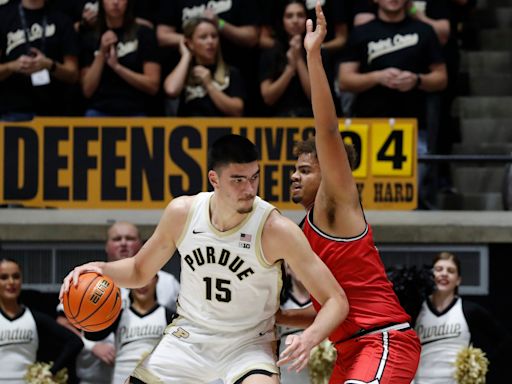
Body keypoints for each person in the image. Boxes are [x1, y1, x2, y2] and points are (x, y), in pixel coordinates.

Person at [60, 133, 349, 384]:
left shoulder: (275, 229)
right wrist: (100, 269)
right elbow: (138, 270)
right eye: (238, 180)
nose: (249, 189)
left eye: (254, 177)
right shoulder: (183, 213)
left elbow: (336, 299)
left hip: (248, 343)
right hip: (189, 337)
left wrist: (309, 338)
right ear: (214, 179)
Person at [279, 3, 421, 383]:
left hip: (383, 340)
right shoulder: (305, 227)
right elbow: (331, 310)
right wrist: (276, 317)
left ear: (329, 173)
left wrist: (313, 55)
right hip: (350, 349)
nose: (294, 176)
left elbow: (326, 131)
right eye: (294, 169)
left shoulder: (337, 201)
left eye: (305, 170)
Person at [56, 221, 181, 384]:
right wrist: (91, 345)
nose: (123, 243)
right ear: (107, 246)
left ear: (142, 244)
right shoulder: (89, 280)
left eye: (129, 238)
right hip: (95, 375)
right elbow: (63, 321)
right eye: (117, 239)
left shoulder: (166, 281)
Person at [414, 252, 512, 383]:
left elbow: (503, 341)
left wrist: (480, 364)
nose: (444, 273)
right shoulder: (416, 309)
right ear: (431, 275)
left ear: (458, 280)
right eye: (438, 269)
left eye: (451, 271)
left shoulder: (470, 310)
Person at [0, 258, 83, 384]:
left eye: (16, 276)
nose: (11, 282)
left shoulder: (34, 317)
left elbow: (75, 342)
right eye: (4, 277)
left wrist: (50, 372)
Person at [84, 274, 174, 384]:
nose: (142, 285)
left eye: (147, 278)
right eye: (137, 279)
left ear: (156, 280)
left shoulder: (169, 317)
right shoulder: (118, 315)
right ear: (129, 284)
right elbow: (91, 335)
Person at [0, 0, 79, 121]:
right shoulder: (4, 16)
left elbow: (73, 74)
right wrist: (12, 66)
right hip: (12, 110)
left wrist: (49, 65)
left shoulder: (62, 19)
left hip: (54, 112)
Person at [79, 0, 161, 116]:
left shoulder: (143, 33)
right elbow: (87, 90)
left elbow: (153, 86)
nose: (116, 2)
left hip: (136, 110)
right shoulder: (90, 36)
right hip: (99, 110)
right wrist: (102, 53)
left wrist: (117, 67)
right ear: (101, 2)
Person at [163, 17, 245, 117]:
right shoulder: (184, 71)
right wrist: (186, 55)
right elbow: (171, 90)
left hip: (222, 130)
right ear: (190, 43)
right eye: (203, 37)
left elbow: (237, 111)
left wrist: (209, 85)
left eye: (214, 36)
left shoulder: (231, 72)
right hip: (189, 131)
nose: (210, 41)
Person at [259, 0, 312, 117]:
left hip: (310, 120)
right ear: (282, 21)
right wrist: (290, 69)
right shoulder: (271, 53)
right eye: (289, 16)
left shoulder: (318, 52)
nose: (295, 20)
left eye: (300, 15)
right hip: (279, 122)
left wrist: (298, 60)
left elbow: (315, 97)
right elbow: (268, 97)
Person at [278, 263, 312, 384]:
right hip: (289, 376)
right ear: (288, 269)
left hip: (321, 374)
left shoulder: (326, 303)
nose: (302, 270)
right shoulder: (278, 304)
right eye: (297, 265)